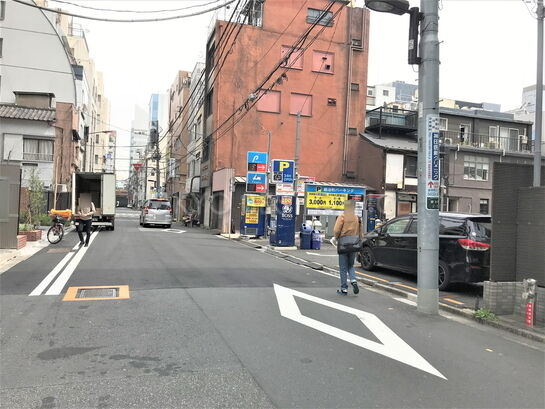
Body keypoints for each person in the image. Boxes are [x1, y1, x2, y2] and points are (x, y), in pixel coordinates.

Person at [332, 200, 362, 295]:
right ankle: (353, 280)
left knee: (343, 267)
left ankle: (344, 288)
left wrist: (336, 238)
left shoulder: (342, 217)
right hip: (354, 244)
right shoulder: (357, 218)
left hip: (343, 244)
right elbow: (360, 232)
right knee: (350, 265)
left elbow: (336, 230)